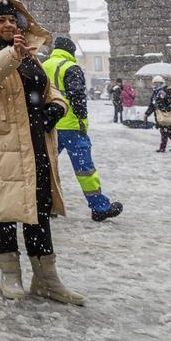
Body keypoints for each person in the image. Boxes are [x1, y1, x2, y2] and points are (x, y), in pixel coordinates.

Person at [0, 0, 83, 305]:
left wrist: (56, 106)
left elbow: (48, 88)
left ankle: (46, 278)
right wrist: (11, 55)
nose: (7, 24)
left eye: (13, 20)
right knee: (3, 210)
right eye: (1, 20)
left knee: (38, 210)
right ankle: (9, 273)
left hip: (34, 143)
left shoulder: (30, 56)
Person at [43, 37, 123, 222]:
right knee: (85, 169)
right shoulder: (70, 67)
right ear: (71, 52)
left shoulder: (43, 65)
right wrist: (82, 120)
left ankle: (46, 205)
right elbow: (77, 96)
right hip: (70, 127)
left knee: (46, 167)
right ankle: (99, 207)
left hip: (49, 126)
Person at [144, 75, 171, 152]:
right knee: (167, 131)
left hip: (166, 114)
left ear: (161, 83)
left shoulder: (167, 90)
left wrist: (166, 97)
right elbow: (152, 105)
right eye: (154, 83)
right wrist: (146, 114)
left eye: (156, 83)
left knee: (165, 131)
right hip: (159, 114)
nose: (155, 85)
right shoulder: (155, 92)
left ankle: (163, 148)